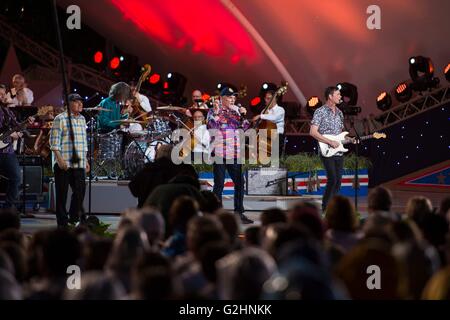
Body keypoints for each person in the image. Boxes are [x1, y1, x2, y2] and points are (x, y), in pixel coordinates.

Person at [207, 86, 252, 224]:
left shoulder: (236, 112)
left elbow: (245, 128)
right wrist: (215, 114)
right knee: (219, 184)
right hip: (220, 153)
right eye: (229, 97)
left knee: (240, 183)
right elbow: (211, 128)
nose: (232, 100)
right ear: (222, 98)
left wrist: (243, 115)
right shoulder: (214, 111)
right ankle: (217, 214)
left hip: (234, 153)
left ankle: (239, 213)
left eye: (234, 97)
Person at [310, 86, 354, 212]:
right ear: (330, 96)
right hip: (326, 150)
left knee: (338, 180)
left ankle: (332, 207)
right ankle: (325, 207)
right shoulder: (320, 111)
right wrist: (329, 141)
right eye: (338, 94)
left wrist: (350, 140)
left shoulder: (340, 113)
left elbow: (340, 137)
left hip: (338, 150)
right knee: (333, 178)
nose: (341, 97)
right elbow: (313, 132)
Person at [49, 93, 89, 227]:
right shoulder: (60, 119)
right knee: (62, 194)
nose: (80, 104)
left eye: (81, 102)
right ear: (69, 103)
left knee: (80, 191)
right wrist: (59, 160)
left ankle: (73, 218)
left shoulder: (82, 119)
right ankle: (62, 223)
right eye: (77, 102)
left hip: (79, 162)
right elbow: (54, 142)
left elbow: (83, 143)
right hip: (64, 162)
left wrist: (86, 160)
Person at [0, 84, 34, 209]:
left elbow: (18, 126)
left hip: (7, 151)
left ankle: (8, 208)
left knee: (16, 178)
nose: (3, 96)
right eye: (1, 94)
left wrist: (24, 126)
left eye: (4, 94)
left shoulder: (8, 111)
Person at [252, 90, 286, 156]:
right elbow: (261, 125)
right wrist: (256, 123)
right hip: (265, 136)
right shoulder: (264, 111)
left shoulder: (280, 109)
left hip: (277, 136)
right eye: (266, 98)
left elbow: (274, 118)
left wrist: (260, 116)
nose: (267, 100)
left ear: (275, 99)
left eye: (269, 98)